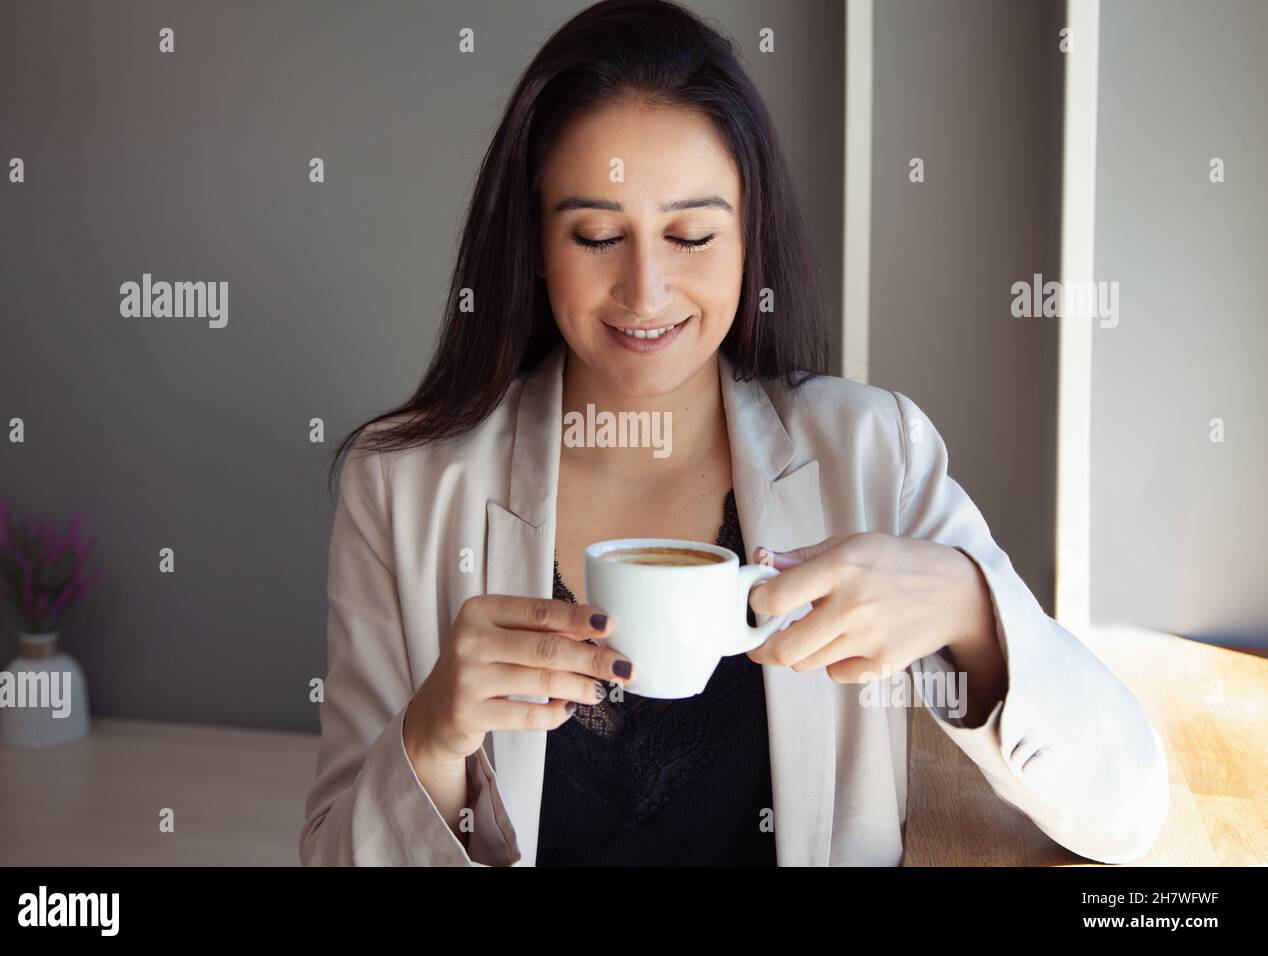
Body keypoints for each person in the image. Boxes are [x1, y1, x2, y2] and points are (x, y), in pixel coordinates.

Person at [299, 0, 1168, 866]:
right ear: (533, 241)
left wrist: (966, 605)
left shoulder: (873, 458)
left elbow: (1128, 813)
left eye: (691, 235)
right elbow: (333, 853)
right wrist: (432, 736)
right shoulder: (401, 488)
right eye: (597, 234)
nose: (646, 291)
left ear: (749, 238)